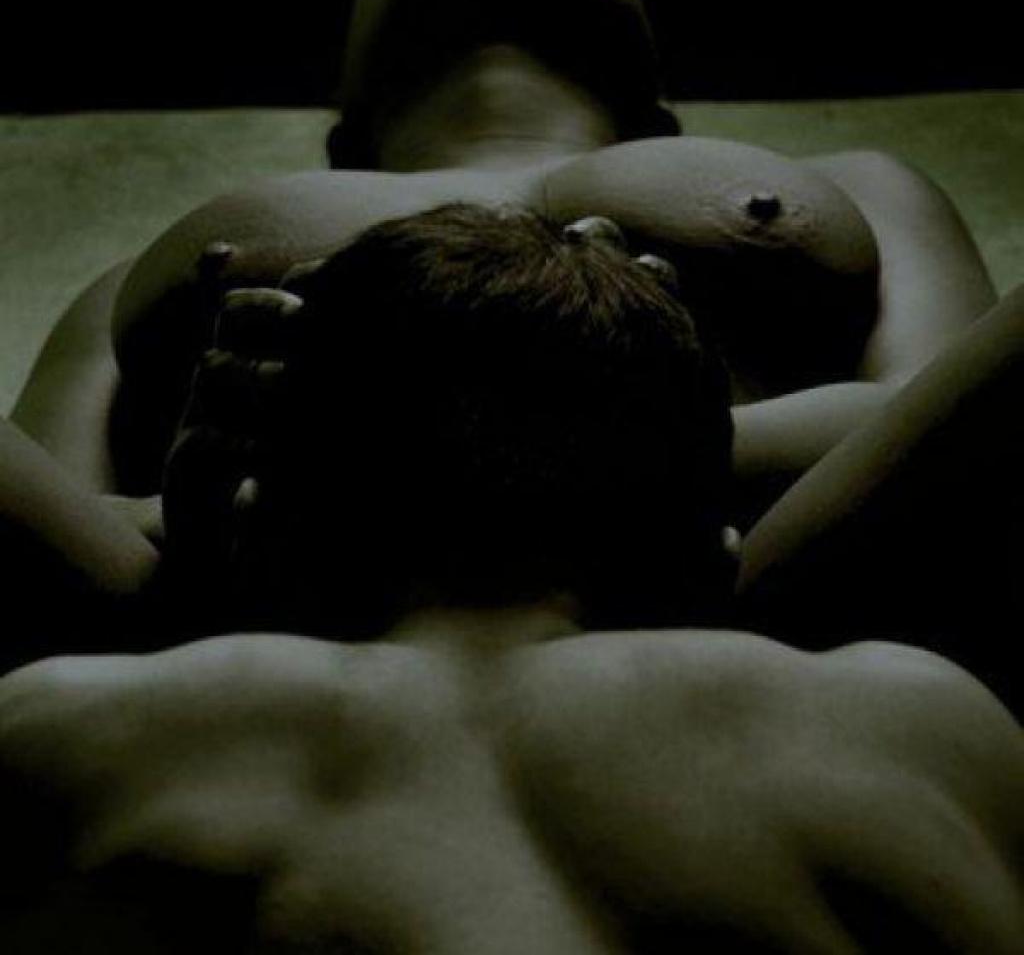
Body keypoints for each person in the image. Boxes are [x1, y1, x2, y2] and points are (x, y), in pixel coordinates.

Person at [1, 205, 1020, 952]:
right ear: (711, 569)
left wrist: (200, 579)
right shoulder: (919, 723)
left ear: (264, 533)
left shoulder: (59, 731)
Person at [9, 0, 996, 538]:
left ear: (659, 119)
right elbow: (58, 528)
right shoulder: (139, 269)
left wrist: (375, 470)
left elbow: (954, 424)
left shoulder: (868, 183)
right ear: (345, 132)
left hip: (754, 568)